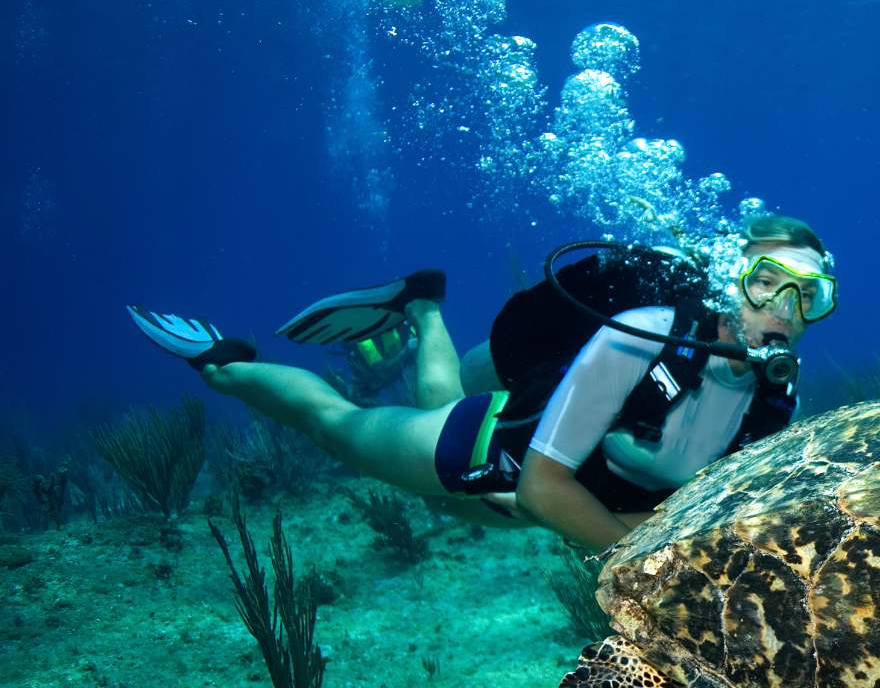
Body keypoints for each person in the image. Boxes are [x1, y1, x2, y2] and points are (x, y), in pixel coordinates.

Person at [127, 216, 836, 549]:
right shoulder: (644, 333)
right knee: (336, 425)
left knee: (435, 395)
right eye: (766, 283)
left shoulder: (778, 396)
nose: (784, 311)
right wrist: (645, 548)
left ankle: (424, 304)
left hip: (528, 504)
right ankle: (225, 364)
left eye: (811, 296)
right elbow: (543, 488)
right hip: (485, 457)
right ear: (725, 278)